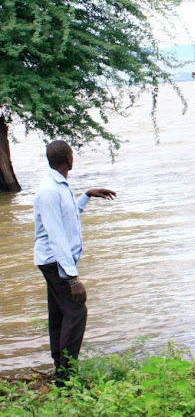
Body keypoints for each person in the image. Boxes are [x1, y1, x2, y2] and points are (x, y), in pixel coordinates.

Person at [33, 140, 116, 385]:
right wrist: (72, 278)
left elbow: (68, 218)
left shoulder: (59, 185)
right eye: (72, 154)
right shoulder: (49, 190)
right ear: (69, 159)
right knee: (77, 312)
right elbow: (56, 234)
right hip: (54, 261)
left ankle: (62, 370)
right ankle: (66, 378)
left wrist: (86, 196)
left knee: (59, 314)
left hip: (55, 260)